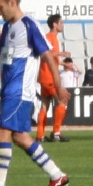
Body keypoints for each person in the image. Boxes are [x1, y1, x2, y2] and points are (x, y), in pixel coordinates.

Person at [0, 0, 70, 186]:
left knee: (2, 131)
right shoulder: (8, 27)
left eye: (0, 7)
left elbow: (47, 55)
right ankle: (57, 175)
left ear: (12, 3)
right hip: (9, 88)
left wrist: (58, 85)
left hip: (19, 90)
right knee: (20, 136)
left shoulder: (29, 25)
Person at [35, 14, 71, 143]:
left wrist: (63, 63)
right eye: (60, 22)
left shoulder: (52, 38)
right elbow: (45, 55)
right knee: (62, 100)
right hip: (49, 76)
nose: (62, 25)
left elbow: (52, 59)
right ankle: (56, 132)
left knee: (45, 105)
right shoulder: (50, 37)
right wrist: (61, 54)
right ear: (55, 24)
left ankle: (40, 135)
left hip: (45, 76)